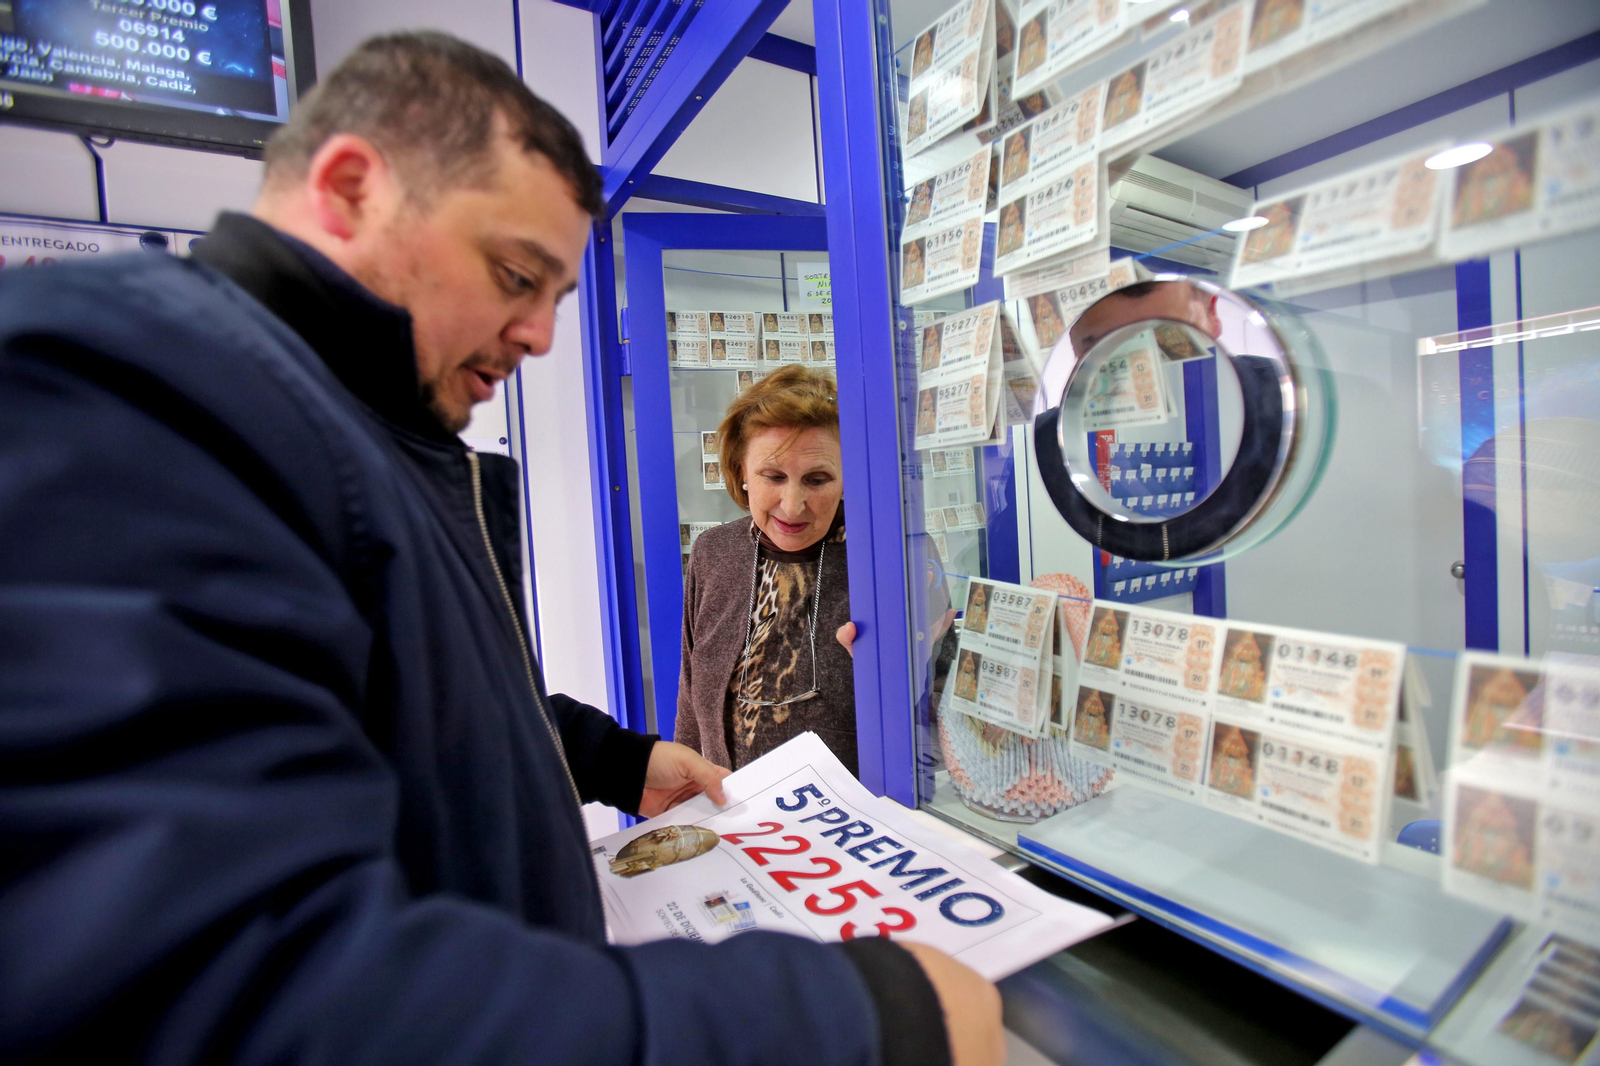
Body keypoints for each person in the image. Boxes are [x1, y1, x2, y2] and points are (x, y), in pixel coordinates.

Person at [0, 31, 1003, 1066]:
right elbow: (219, 983)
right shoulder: (125, 388)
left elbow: (395, 700)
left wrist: (604, 755)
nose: (539, 338)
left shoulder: (370, 433)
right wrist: (849, 1022)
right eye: (514, 275)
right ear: (350, 189)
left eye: (558, 299)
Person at [677, 366, 861, 772]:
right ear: (741, 470)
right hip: (733, 822)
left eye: (817, 479)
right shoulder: (714, 553)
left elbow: (941, 726)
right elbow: (692, 705)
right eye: (773, 476)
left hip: (848, 829)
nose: (793, 505)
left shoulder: (883, 562)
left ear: (849, 477)